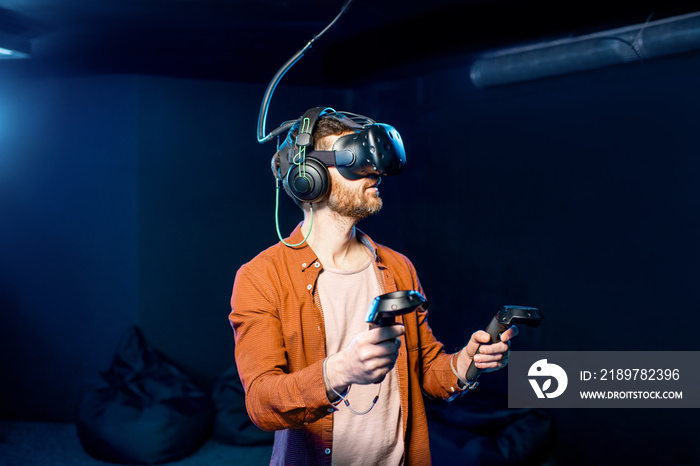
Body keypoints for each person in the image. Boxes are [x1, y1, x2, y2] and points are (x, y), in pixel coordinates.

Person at [229, 111, 517, 465]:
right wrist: (341, 370)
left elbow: (425, 371)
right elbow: (261, 402)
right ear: (309, 177)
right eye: (355, 159)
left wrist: (465, 363)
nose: (375, 171)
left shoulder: (398, 267)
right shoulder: (262, 276)